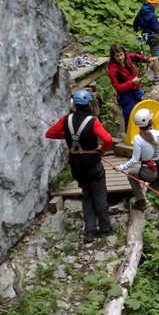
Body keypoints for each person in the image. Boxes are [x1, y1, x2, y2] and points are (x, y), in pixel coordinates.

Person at [45, 89, 114, 243]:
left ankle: (90, 230)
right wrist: (102, 149)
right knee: (99, 194)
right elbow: (108, 139)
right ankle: (105, 228)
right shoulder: (92, 121)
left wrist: (67, 134)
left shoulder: (66, 120)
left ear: (75, 105)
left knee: (87, 194)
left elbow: (49, 133)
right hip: (92, 163)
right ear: (89, 104)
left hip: (76, 165)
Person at [117, 109, 159, 234]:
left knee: (131, 175)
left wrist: (121, 168)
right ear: (150, 121)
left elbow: (134, 160)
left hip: (149, 173)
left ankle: (141, 200)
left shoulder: (138, 139)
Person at [107, 43, 153, 131]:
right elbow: (118, 87)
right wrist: (132, 83)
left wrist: (147, 59)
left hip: (136, 90)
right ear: (113, 57)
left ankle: (146, 133)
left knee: (143, 112)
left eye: (121, 54)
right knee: (130, 116)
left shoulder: (127, 57)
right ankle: (130, 135)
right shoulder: (113, 70)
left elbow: (135, 57)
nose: (120, 58)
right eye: (117, 56)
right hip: (125, 96)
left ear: (123, 53)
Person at [133, 0, 159, 82]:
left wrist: (136, 29)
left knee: (151, 50)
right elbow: (156, 28)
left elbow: (135, 22)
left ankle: (152, 66)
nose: (157, 6)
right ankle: (156, 77)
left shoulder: (141, 11)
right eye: (156, 5)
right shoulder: (153, 16)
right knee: (155, 56)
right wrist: (158, 21)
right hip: (153, 36)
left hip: (144, 35)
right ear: (153, 4)